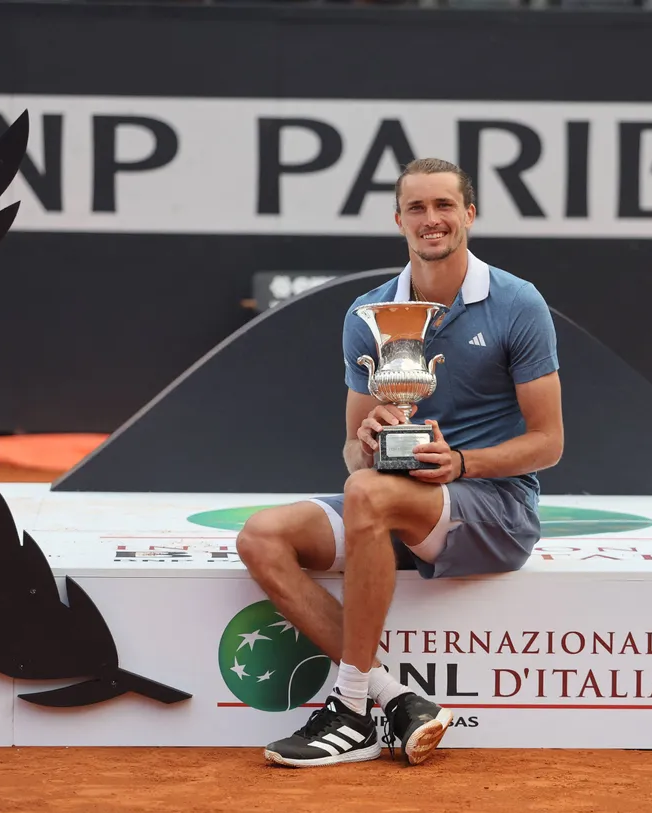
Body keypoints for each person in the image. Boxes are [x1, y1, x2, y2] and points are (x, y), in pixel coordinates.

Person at [236, 158, 564, 768]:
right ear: (399, 220)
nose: (431, 219)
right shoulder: (371, 314)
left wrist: (459, 462)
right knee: (262, 536)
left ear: (469, 214)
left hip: (496, 508)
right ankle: (394, 696)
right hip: (392, 504)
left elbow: (548, 442)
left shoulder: (518, 303)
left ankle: (353, 708)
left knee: (368, 495)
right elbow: (352, 456)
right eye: (417, 208)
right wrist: (368, 438)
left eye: (444, 206)